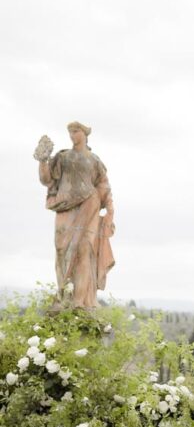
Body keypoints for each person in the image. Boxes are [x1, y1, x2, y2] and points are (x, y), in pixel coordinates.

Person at [34, 122, 115, 309]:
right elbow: (47, 180)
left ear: (85, 134)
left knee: (84, 250)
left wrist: (110, 209)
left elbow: (104, 185)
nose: (72, 135)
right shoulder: (62, 157)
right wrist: (43, 161)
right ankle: (65, 296)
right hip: (65, 206)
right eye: (70, 132)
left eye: (76, 131)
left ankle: (79, 301)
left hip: (90, 205)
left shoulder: (94, 160)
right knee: (62, 250)